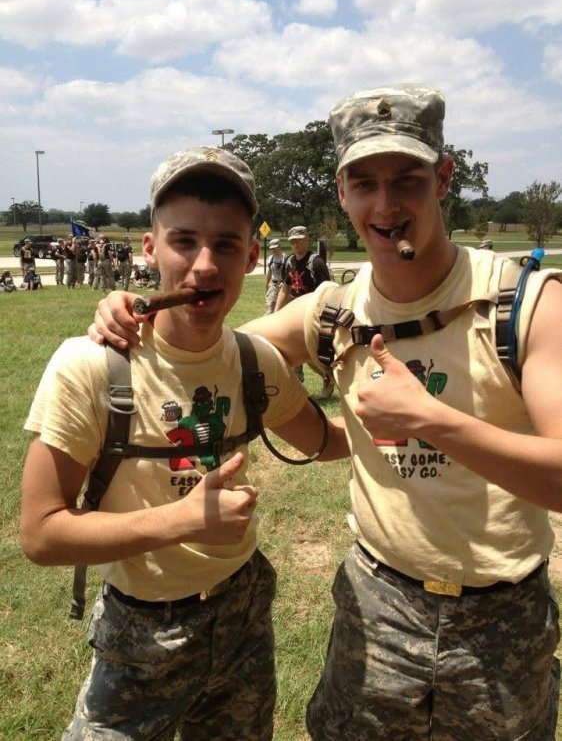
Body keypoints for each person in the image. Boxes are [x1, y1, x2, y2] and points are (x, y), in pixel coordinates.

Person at [90, 85, 562, 740]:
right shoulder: (333, 311)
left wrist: (430, 420)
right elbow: (215, 353)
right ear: (342, 192)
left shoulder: (523, 303)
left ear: (443, 179)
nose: (386, 205)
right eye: (364, 183)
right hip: (379, 605)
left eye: (407, 179)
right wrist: (131, 313)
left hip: (503, 620)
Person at [21, 145, 348, 741]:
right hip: (139, 630)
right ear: (150, 247)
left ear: (252, 257)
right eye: (184, 241)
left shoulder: (256, 362)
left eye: (225, 245)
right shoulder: (91, 366)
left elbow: (323, 439)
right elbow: (41, 534)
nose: (204, 265)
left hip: (243, 616)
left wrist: (417, 422)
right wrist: (183, 519)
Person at [275, 225, 334, 398]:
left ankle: (328, 376)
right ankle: (296, 380)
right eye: (293, 242)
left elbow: (328, 290)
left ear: (307, 240)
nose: (296, 245)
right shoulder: (290, 262)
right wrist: (276, 313)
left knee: (311, 354)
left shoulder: (316, 263)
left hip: (312, 313)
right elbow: (285, 288)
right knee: (290, 347)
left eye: (299, 241)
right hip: (295, 312)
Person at [264, 238, 286, 314]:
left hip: (283, 286)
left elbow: (288, 273)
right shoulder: (271, 258)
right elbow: (269, 272)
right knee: (270, 306)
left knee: (282, 308)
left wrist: (284, 282)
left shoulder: (285, 258)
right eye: (272, 248)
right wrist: (266, 286)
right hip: (273, 285)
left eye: (274, 248)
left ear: (279, 246)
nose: (273, 250)